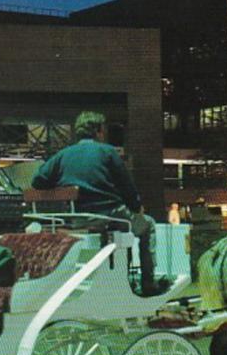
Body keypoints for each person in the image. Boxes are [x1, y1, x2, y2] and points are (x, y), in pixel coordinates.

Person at [31, 111, 158, 295]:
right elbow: (126, 186)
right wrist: (137, 207)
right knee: (148, 225)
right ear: (99, 131)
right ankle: (148, 283)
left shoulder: (63, 155)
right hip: (110, 214)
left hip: (78, 219)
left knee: (124, 226)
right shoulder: (107, 152)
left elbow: (37, 181)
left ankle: (110, 280)